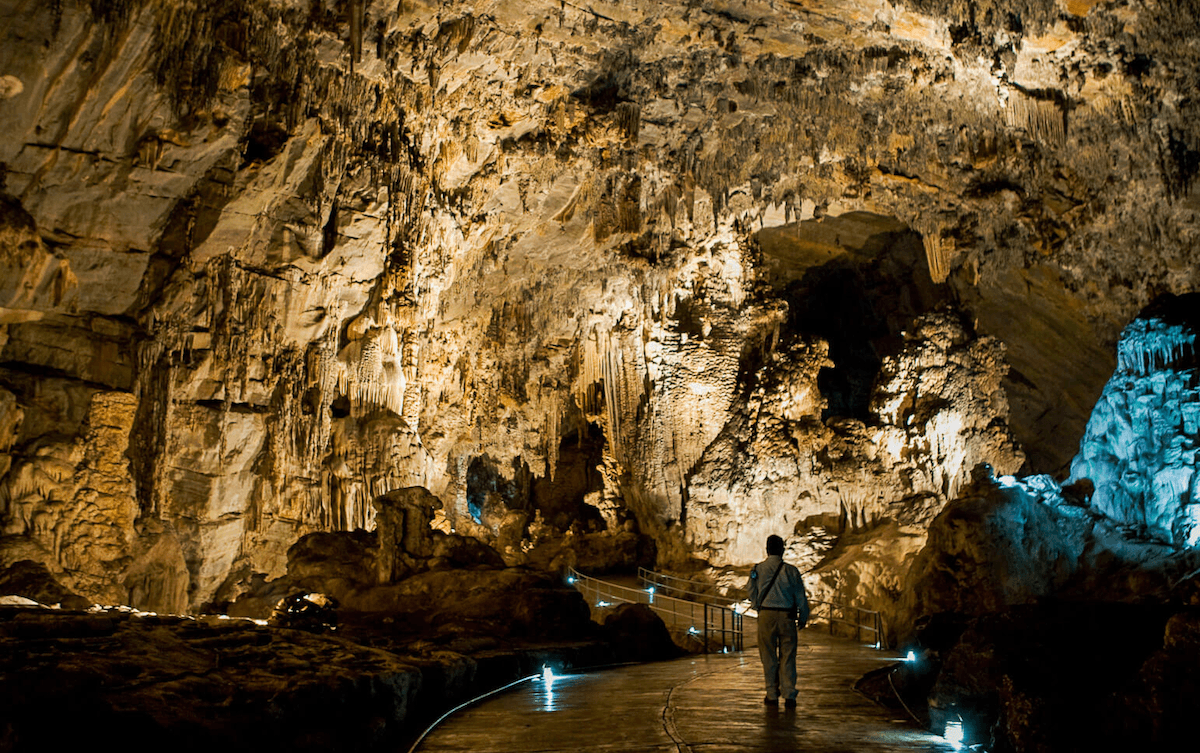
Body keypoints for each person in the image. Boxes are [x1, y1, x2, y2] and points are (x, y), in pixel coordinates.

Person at [746, 534, 809, 707]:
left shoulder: (757, 569)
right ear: (782, 549)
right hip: (787, 616)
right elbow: (800, 596)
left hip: (766, 615)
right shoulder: (791, 570)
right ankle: (789, 694)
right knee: (788, 655)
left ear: (767, 549)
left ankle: (772, 694)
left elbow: (751, 590)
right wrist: (803, 616)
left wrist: (756, 604)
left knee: (768, 655)